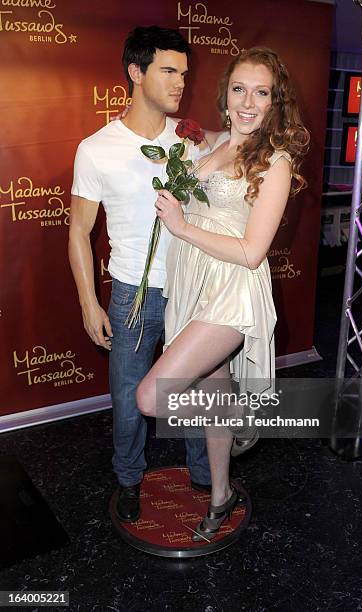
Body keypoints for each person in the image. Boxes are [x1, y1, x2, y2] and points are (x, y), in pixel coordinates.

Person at [135, 47, 309, 541]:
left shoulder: (274, 161)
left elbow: (254, 253)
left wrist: (183, 226)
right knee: (211, 385)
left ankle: (240, 418)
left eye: (261, 92)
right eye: (239, 89)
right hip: (195, 280)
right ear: (225, 94)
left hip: (233, 290)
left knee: (150, 398)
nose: (248, 102)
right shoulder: (207, 143)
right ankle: (220, 495)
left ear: (276, 101)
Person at [68, 26, 213, 524]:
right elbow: (79, 230)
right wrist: (90, 302)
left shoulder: (191, 142)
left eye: (183, 74)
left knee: (195, 389)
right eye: (169, 71)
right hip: (133, 294)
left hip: (192, 289)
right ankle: (129, 478)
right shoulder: (96, 148)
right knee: (129, 400)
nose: (180, 83)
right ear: (137, 72)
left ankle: (203, 474)